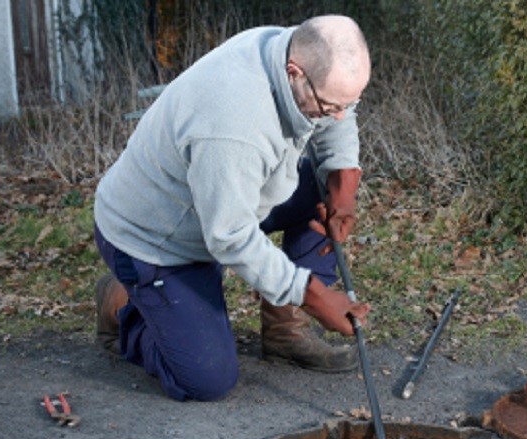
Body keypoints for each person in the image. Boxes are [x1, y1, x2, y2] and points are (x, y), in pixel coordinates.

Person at [93, 15, 372, 401]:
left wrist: (343, 187)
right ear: (295, 73)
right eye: (330, 106)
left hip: (225, 196)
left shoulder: (293, 51)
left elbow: (339, 113)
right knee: (208, 379)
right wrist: (314, 296)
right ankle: (124, 307)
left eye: (348, 103)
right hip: (156, 237)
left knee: (318, 186)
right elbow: (230, 236)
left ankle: (283, 333)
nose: (339, 115)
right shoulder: (233, 121)